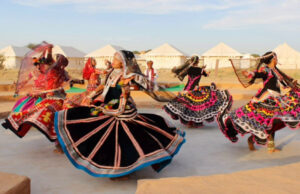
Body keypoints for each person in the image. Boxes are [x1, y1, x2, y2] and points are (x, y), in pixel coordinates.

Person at [54, 50, 185, 178]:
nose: (113, 61)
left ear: (123, 62)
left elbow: (150, 89)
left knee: (123, 139)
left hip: (122, 109)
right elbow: (103, 86)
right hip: (109, 105)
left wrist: (172, 96)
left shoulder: (131, 76)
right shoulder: (111, 71)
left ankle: (125, 169)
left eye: (116, 59)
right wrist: (91, 96)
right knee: (93, 126)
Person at [217, 51, 300, 153]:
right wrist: (251, 73)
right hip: (265, 99)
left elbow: (283, 83)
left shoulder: (276, 70)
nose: (277, 60)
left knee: (272, 123)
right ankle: (252, 140)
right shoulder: (266, 69)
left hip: (276, 99)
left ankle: (271, 147)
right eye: (276, 58)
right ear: (272, 59)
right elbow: (259, 73)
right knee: (265, 124)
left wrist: (292, 85)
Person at [2, 42, 70, 153]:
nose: (42, 66)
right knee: (53, 121)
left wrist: (48, 50)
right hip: (54, 98)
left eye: (43, 64)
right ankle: (59, 144)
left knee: (47, 119)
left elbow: (52, 83)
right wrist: (48, 50)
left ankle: (60, 145)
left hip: (53, 99)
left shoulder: (53, 71)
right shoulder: (58, 71)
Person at [164, 56, 233, 128]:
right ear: (198, 62)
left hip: (186, 89)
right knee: (196, 107)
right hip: (195, 89)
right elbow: (206, 75)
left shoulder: (189, 69)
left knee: (187, 106)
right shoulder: (200, 70)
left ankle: (189, 123)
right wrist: (205, 70)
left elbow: (186, 73)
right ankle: (194, 123)